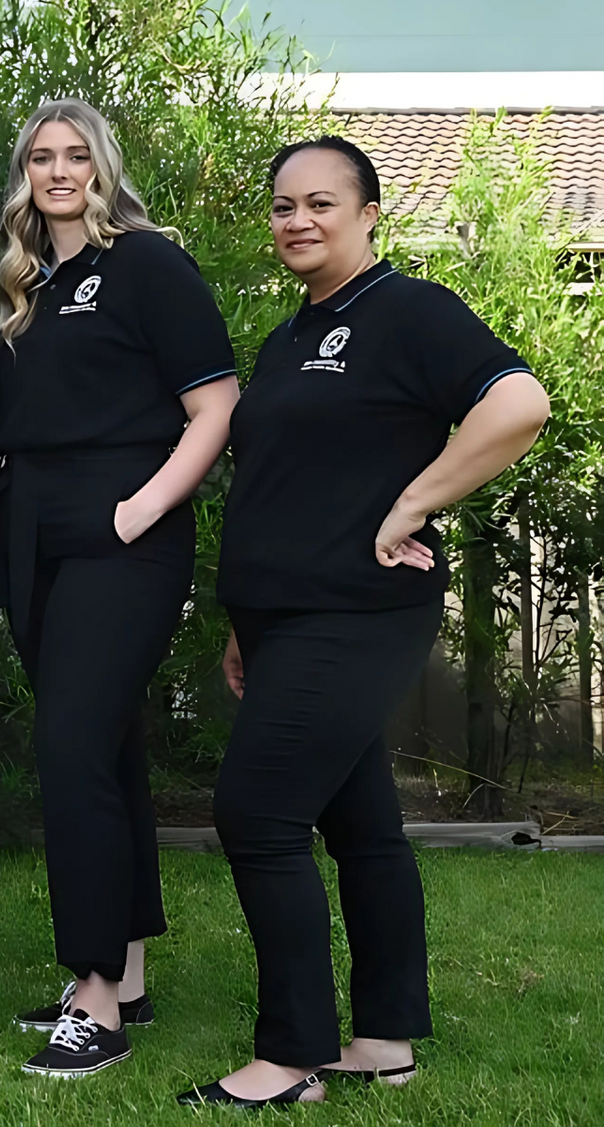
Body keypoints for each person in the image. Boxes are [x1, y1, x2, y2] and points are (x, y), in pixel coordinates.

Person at [181, 137, 549, 1108]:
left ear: (369, 211)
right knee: (363, 827)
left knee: (256, 813)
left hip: (355, 613)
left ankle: (290, 1054)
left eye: (320, 203)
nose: (297, 220)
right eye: (283, 206)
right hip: (280, 619)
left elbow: (519, 401)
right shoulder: (290, 335)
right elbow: (281, 483)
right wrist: (241, 623)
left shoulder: (410, 312)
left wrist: (413, 502)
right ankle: (383, 1038)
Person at [0, 98, 241, 1078]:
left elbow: (215, 407)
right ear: (26, 173)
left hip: (120, 534)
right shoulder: (28, 280)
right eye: (42, 157)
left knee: (71, 748)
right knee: (108, 748)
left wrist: (139, 512)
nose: (58, 170)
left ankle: (94, 998)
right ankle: (125, 971)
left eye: (75, 155)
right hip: (32, 533)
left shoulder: (148, 262)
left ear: (102, 165)